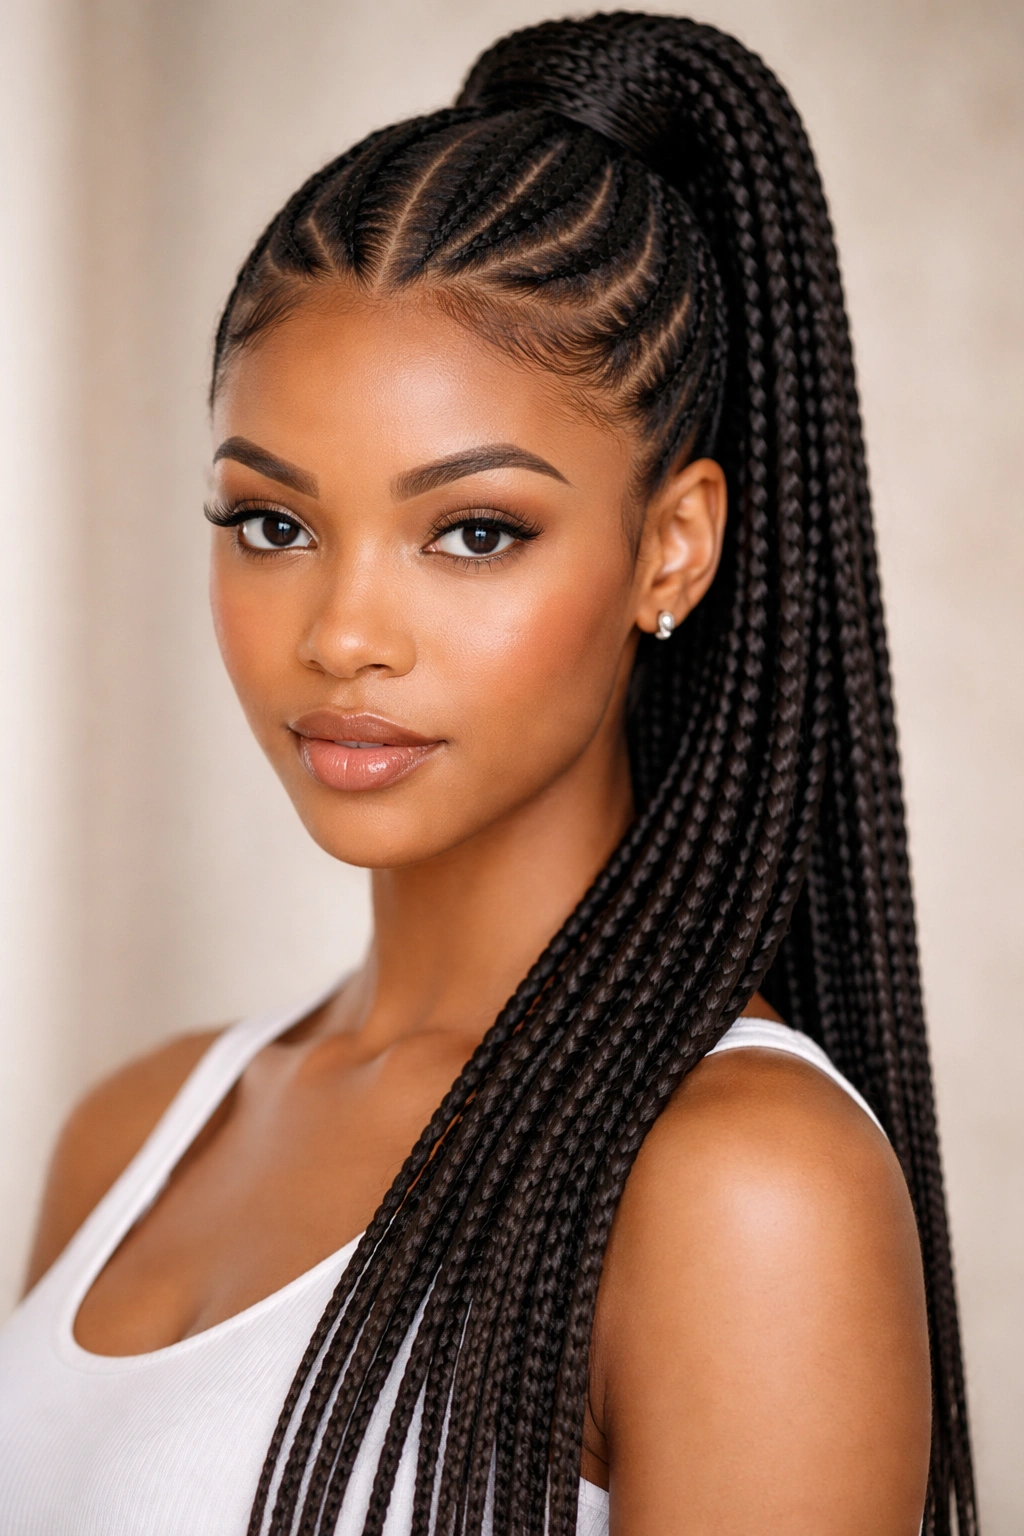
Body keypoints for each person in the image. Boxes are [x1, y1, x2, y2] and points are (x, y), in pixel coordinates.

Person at [0, 13, 976, 1536]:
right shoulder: (133, 1132)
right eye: (273, 522)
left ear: (676, 544)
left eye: (473, 532)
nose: (341, 636)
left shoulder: (737, 1187)